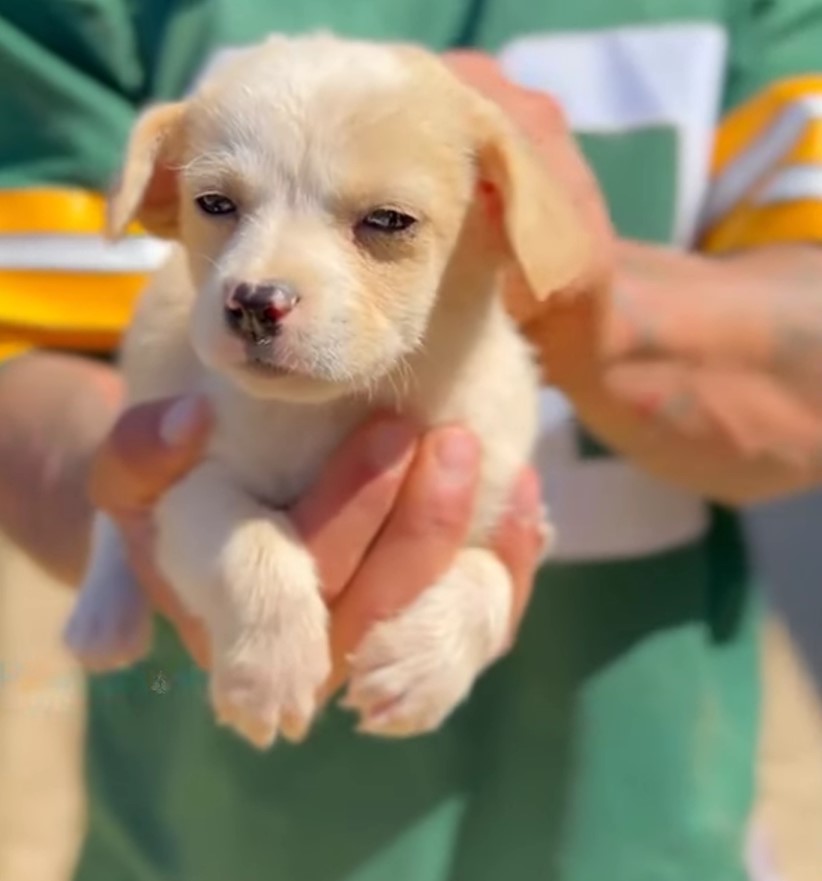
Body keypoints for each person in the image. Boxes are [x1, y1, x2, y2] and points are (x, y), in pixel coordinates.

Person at [2, 1, 822, 879]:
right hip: (201, 838)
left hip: (635, 823)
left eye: (383, 223)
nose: (259, 282)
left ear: (499, 204)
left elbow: (501, 532)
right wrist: (128, 521)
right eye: (218, 204)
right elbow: (37, 355)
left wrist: (601, 314)